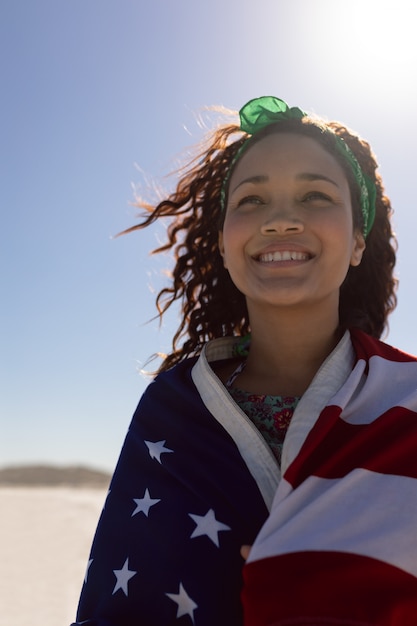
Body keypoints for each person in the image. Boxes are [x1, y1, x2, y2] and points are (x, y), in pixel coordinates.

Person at [71, 96, 417, 626]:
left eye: (315, 195)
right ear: (226, 245)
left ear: (356, 242)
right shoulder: (172, 409)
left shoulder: (408, 399)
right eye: (251, 201)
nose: (280, 220)